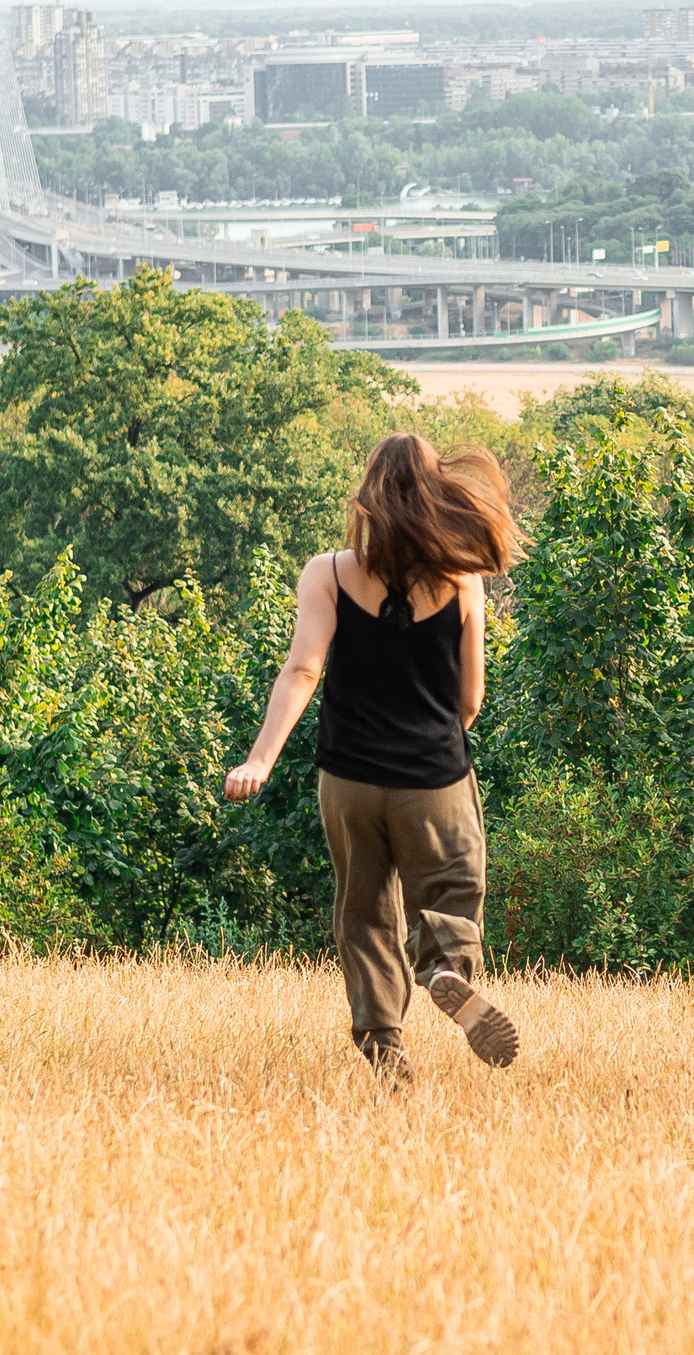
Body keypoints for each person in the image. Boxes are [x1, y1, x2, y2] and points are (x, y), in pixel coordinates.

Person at [224, 433, 523, 1081]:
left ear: (368, 495)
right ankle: (445, 968)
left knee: (364, 915)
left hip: (349, 780)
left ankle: (385, 1045)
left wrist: (260, 761)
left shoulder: (327, 573)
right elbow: (470, 698)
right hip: (432, 776)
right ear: (436, 491)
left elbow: (303, 670)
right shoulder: (464, 578)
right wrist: (436, 739)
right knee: (452, 885)